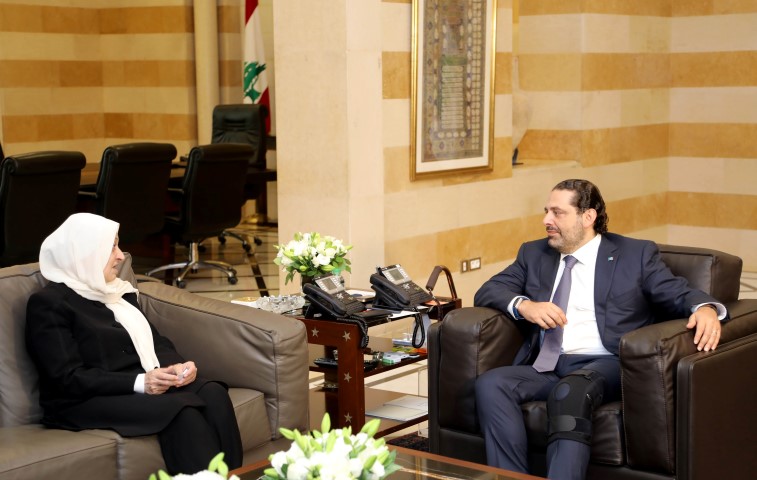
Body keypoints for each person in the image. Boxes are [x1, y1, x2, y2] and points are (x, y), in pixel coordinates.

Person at [473, 179, 726, 480]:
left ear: (588, 217)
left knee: (570, 392)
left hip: (606, 362)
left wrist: (705, 308)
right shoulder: (534, 253)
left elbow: (677, 292)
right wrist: (525, 306)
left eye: (558, 213)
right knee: (491, 384)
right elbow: (489, 290)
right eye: (546, 211)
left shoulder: (635, 255)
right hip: (548, 364)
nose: (546, 220)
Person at [25, 213, 242, 475]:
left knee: (214, 393)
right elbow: (67, 378)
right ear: (84, 253)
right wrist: (141, 383)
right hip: (82, 400)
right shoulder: (49, 304)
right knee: (181, 409)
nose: (120, 256)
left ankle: (235, 475)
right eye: (111, 247)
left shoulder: (117, 291)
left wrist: (176, 367)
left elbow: (156, 341)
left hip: (138, 381)